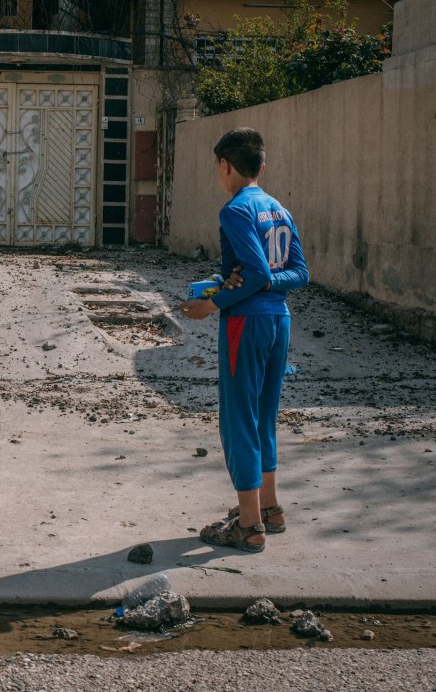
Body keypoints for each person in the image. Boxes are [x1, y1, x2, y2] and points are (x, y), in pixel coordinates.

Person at [180, 127, 309, 553]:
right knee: (264, 416)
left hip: (245, 323)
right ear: (263, 166)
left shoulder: (235, 210)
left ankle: (249, 525)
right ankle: (270, 509)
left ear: (225, 164)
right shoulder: (279, 209)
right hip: (279, 319)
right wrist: (250, 280)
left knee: (238, 419)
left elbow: (254, 274)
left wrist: (212, 304)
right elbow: (299, 275)